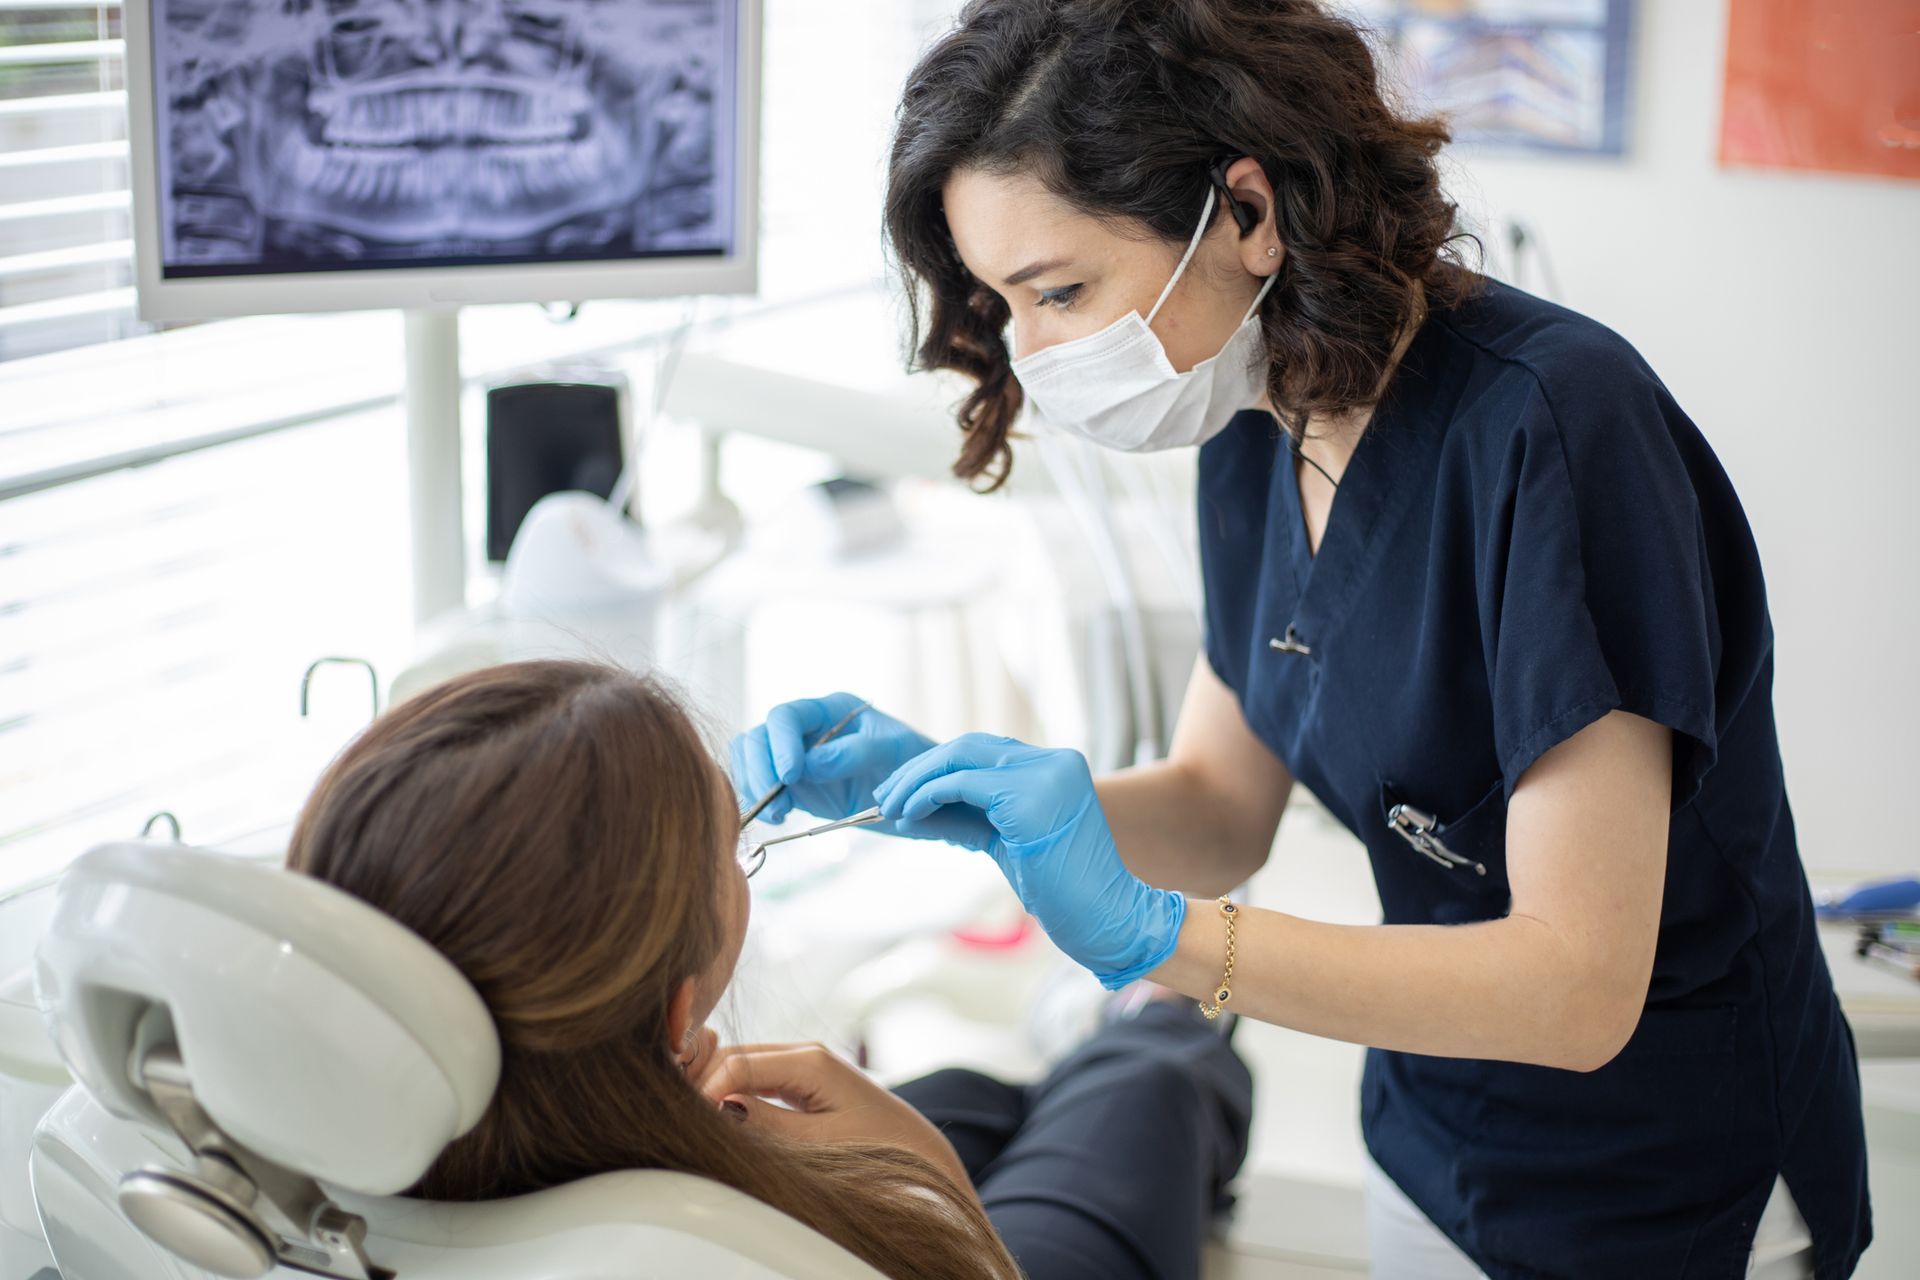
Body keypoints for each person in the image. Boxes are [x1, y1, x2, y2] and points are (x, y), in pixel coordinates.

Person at [730, 2, 1872, 1276]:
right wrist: (949, 795)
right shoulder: (1256, 417)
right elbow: (1224, 807)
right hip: (1433, 1123)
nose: (1032, 352)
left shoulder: (1553, 428)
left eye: (1060, 290)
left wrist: (1165, 940)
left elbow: (1576, 984)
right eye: (1005, 303)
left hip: (1662, 1170)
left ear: (1248, 212)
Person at [286, 659, 1252, 1280]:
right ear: (675, 1021)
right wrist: (933, 1192)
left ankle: (1073, 1058)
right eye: (733, 852)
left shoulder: (343, 1176)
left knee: (966, 1091)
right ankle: (1152, 1021)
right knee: (1148, 1084)